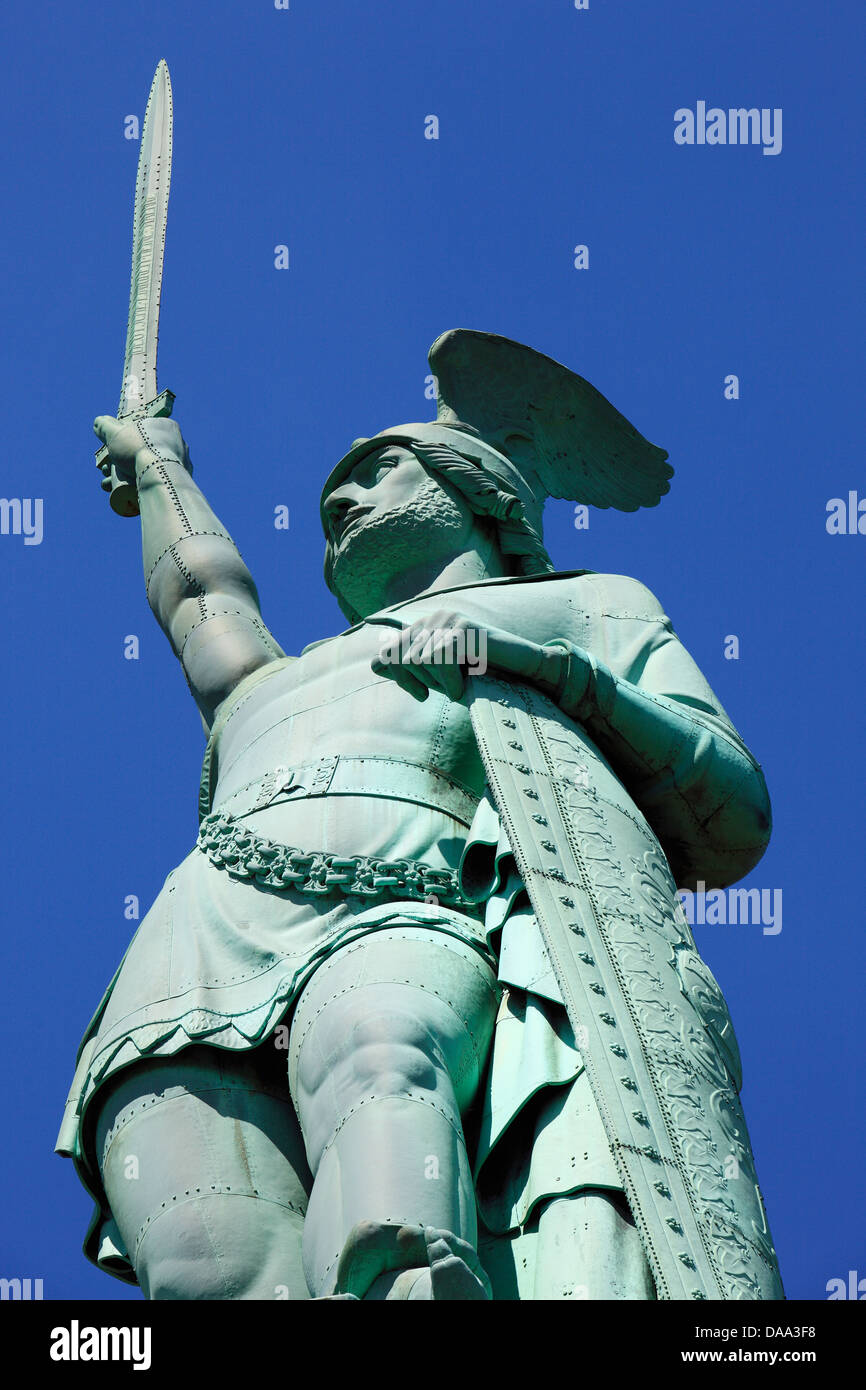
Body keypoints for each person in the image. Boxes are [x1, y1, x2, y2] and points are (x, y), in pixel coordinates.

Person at [57, 330, 782, 1300]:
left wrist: (545, 668)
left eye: (374, 473)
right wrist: (157, 463)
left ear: (478, 490)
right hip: (192, 953)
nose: (339, 501)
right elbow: (200, 593)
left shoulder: (583, 607)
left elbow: (730, 803)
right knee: (204, 1261)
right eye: (329, 501)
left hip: (403, 908)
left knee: (385, 1118)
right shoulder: (270, 685)